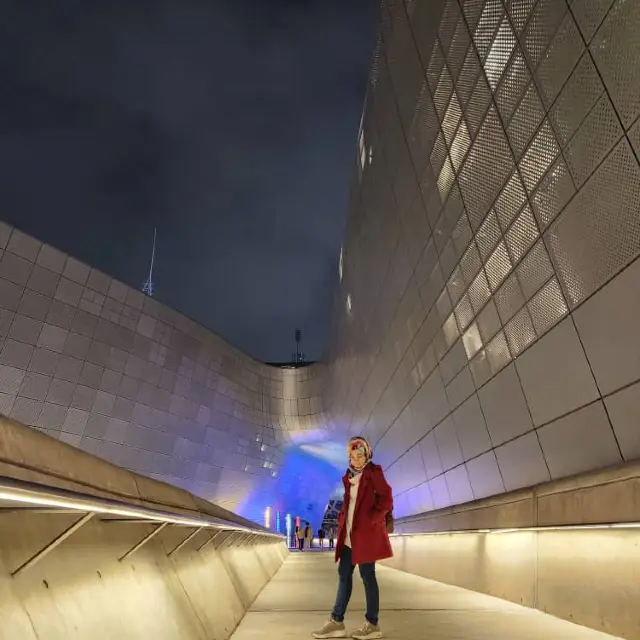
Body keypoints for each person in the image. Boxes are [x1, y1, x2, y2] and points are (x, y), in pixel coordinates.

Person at [313, 436, 393, 640]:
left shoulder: (374, 472)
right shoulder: (349, 477)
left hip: (365, 536)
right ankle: (336, 622)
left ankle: (373, 624)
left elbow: (387, 498)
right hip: (349, 536)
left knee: (368, 576)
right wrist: (342, 520)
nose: (357, 459)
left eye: (360, 455)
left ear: (367, 454)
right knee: (343, 575)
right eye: (353, 456)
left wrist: (372, 518)